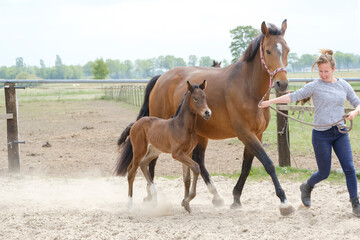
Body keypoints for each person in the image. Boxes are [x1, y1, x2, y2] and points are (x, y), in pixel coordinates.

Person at [259, 49, 360, 216]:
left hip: (340, 132)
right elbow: (292, 97)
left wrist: (354, 113)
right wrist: (269, 101)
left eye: (326, 71)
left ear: (333, 69)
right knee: (324, 172)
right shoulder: (315, 85)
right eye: (321, 71)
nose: (323, 74)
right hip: (321, 135)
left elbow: (358, 104)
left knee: (349, 168)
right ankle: (307, 186)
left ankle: (355, 203)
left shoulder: (343, 85)